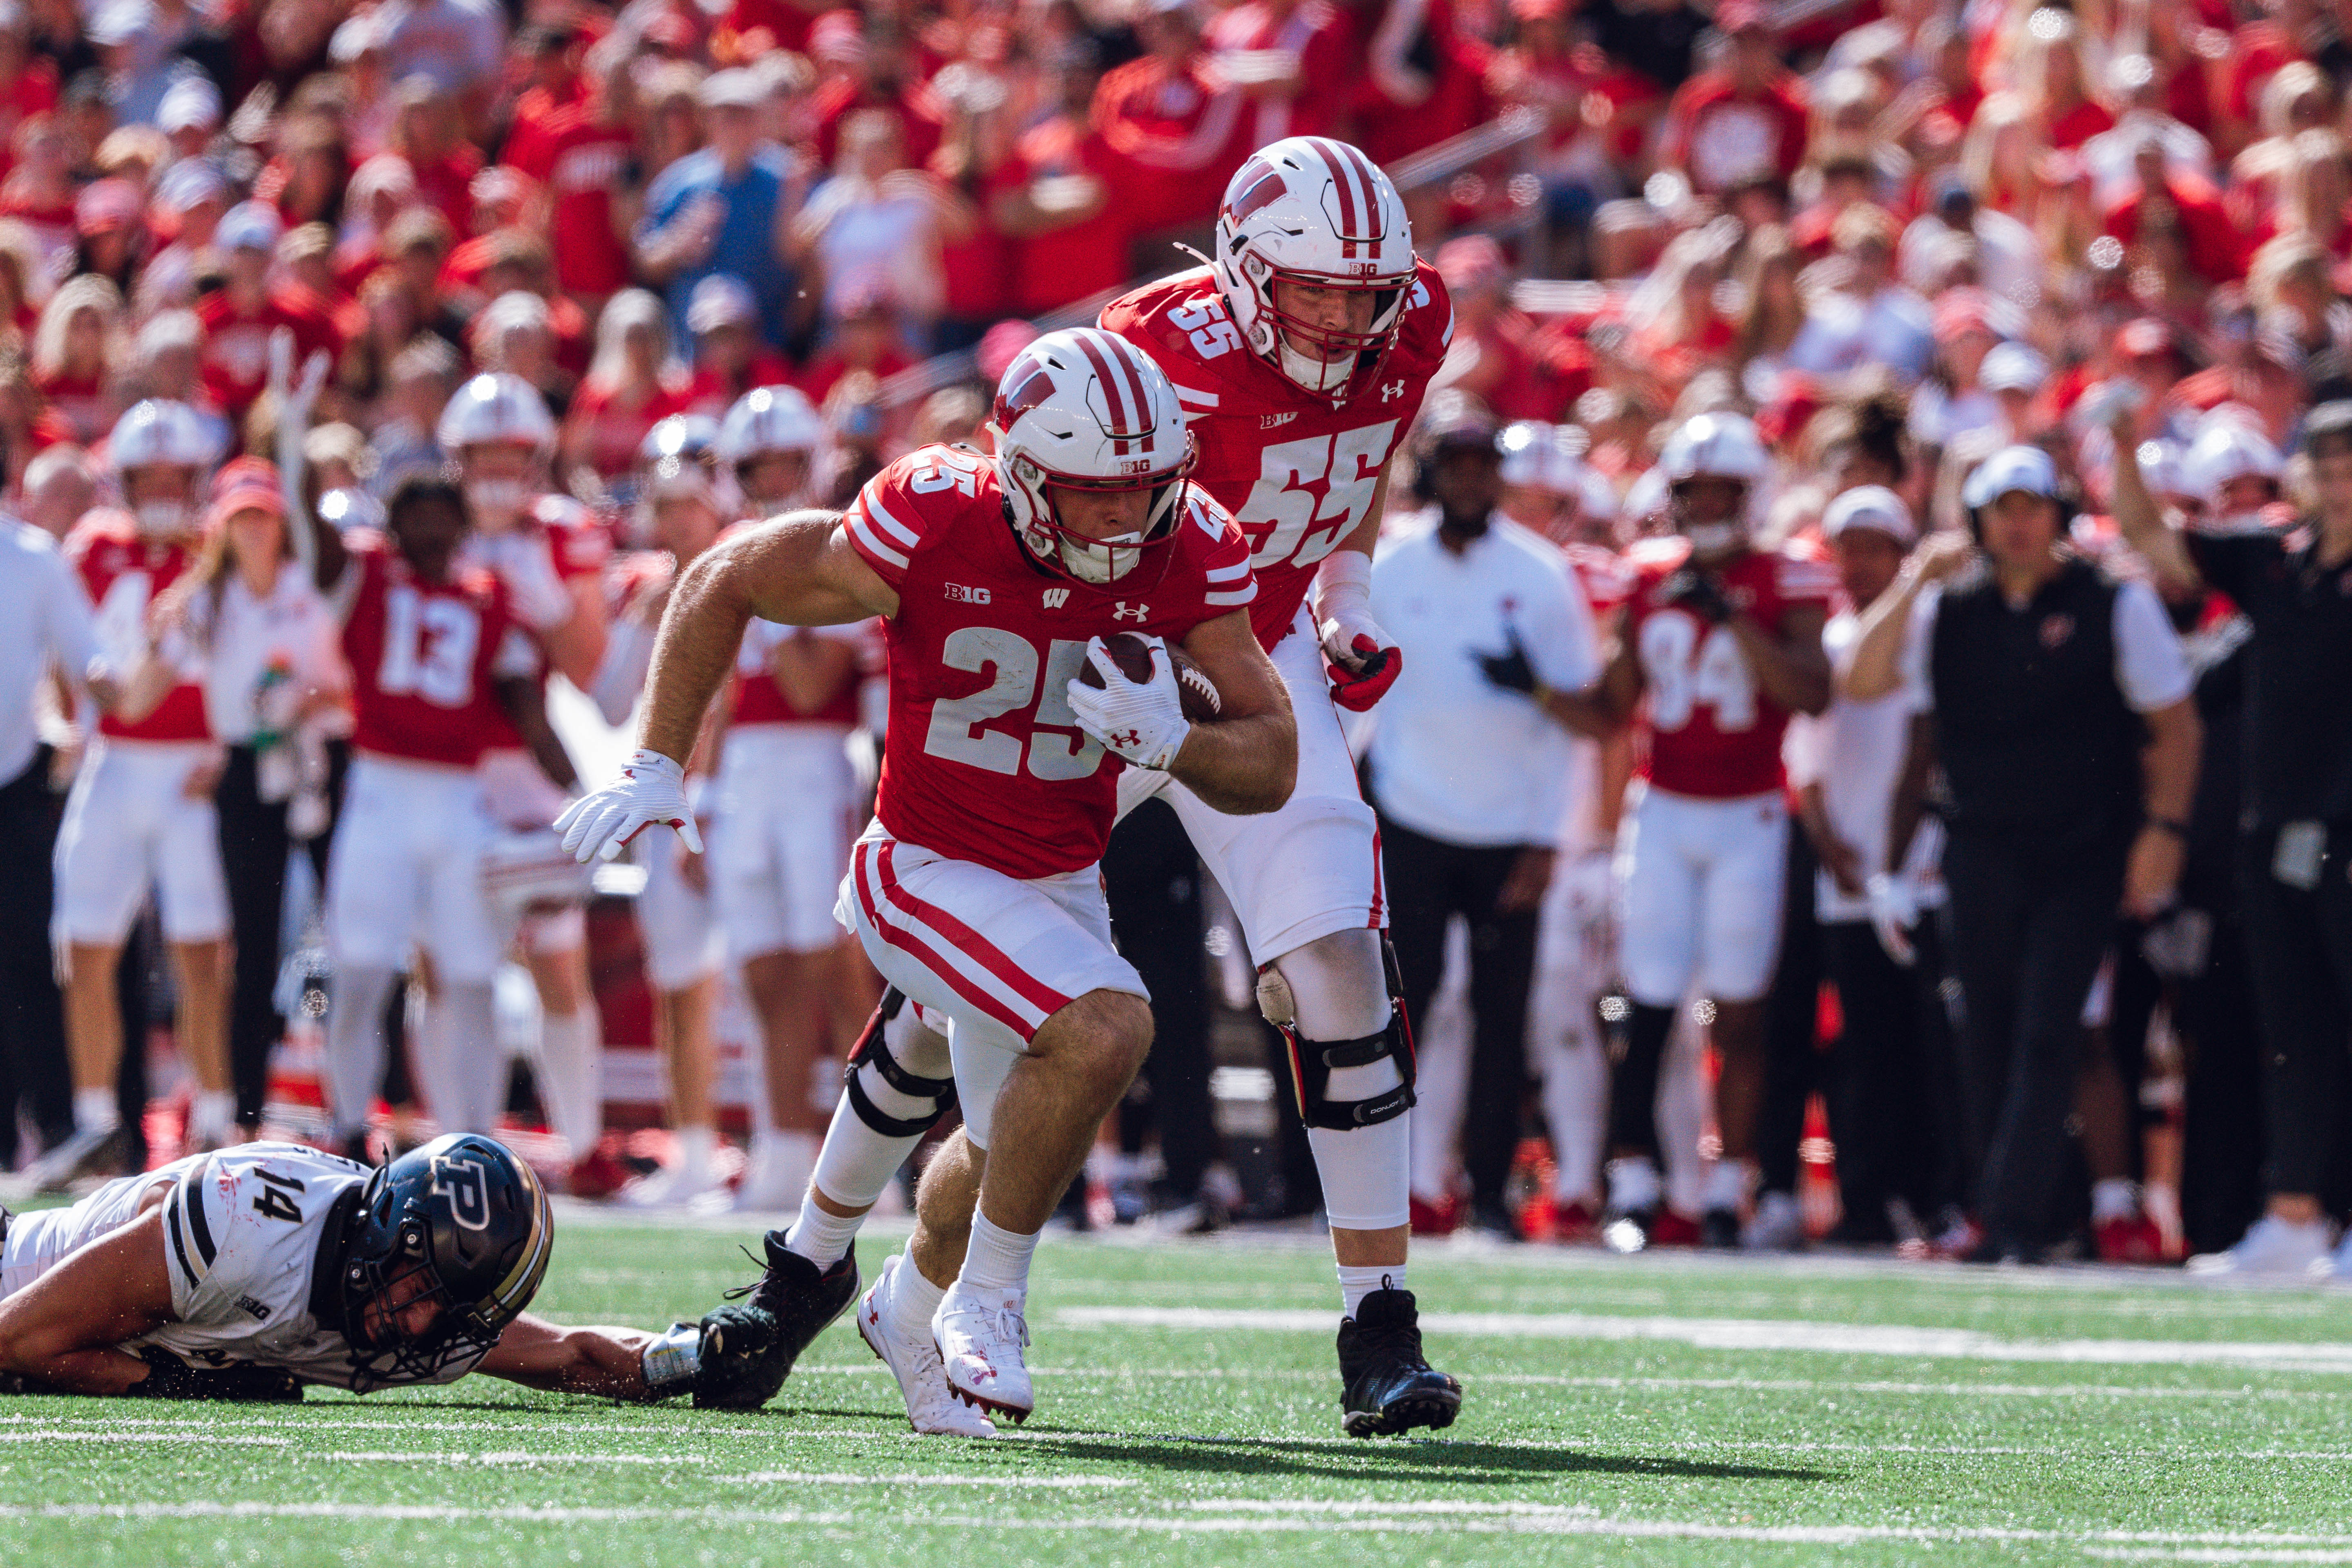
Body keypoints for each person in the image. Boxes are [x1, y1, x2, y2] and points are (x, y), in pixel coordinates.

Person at [557, 327, 1297, 1437]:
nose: (1122, 516)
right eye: (1095, 491)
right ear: (1027, 472)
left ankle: (905, 1300)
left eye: (1145, 486)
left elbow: (1274, 759)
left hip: (1058, 874)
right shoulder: (935, 513)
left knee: (1009, 1141)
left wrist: (1172, 740)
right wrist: (659, 757)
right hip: (923, 864)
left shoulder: (1187, 542)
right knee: (1106, 1027)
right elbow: (727, 574)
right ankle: (988, 1302)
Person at [1842, 445, 2200, 1263]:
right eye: (1999, 507)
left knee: (2050, 1030)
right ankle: (1997, 1206)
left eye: (2030, 505)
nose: (2016, 522)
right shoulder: (1946, 606)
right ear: (1976, 519)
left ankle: (2008, 1218)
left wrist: (2163, 833)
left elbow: (2174, 723)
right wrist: (1912, 579)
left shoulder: (2112, 600)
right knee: (1982, 1030)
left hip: (2081, 845)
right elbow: (1863, 684)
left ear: (2058, 514)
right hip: (1977, 843)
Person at [2106, 407, 2352, 1277]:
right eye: (2326, 467)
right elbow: (2150, 537)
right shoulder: (2277, 560)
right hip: (2275, 826)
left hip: (2349, 827)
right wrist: (2116, 439)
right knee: (2290, 1027)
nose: (2339, 484)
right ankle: (2293, 1213)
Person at [0, 1132, 771, 1405]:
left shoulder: (423, 1311)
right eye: (417, 1291)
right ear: (387, 1229)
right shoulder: (243, 1225)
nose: (415, 1325)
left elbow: (571, 1354)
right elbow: (19, 1341)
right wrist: (186, 1383)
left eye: (448, 1313)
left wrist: (694, 1358)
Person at [1585, 411, 1836, 1250]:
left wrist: (1730, 616)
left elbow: (1809, 691)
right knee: (1645, 1003)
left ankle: (1731, 1182)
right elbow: (1615, 702)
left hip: (1750, 813)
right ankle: (1635, 1178)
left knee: (1741, 1012)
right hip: (1662, 808)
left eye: (1722, 489)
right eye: (1693, 490)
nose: (1706, 504)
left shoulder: (1785, 577)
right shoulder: (1647, 573)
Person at [1368, 400, 1607, 1241]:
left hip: (1512, 825)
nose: (1469, 479)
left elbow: (1587, 717)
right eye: (1456, 464)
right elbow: (1354, 686)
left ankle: (1494, 1190)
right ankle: (1399, 1182)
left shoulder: (1541, 574)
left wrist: (1551, 835)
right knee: (1411, 1002)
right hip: (1411, 816)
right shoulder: (1390, 566)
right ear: (1432, 472)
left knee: (1505, 1018)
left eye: (1483, 465)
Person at [118, 458, 344, 1144]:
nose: (253, 530)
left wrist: (297, 703)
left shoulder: (308, 587)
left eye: (263, 516)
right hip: (248, 773)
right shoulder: (206, 603)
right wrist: (110, 695)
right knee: (251, 941)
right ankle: (249, 1111)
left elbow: (339, 685)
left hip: (315, 761)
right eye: (240, 518)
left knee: (341, 939)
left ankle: (355, 1105)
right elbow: (148, 685)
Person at [40, 399, 235, 1190]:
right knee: (83, 944)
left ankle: (216, 1117)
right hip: (116, 762)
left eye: (173, 474)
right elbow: (67, 649)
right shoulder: (93, 547)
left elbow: (257, 659)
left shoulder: (223, 548)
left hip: (192, 766)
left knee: (201, 952)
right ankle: (95, 1121)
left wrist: (227, 744)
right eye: (145, 475)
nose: (159, 488)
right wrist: (68, 717)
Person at [706, 385, 867, 1211]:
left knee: (832, 967)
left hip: (813, 769)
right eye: (757, 464)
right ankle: (782, 1147)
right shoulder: (733, 546)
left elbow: (809, 685)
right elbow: (716, 692)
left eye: (784, 462)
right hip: (747, 777)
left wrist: (776, 600)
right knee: (765, 973)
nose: (771, 477)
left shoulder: (838, 544)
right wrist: (698, 792)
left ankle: (866, 1159)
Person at [1786, 486, 1959, 1248]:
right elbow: (1809, 763)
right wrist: (1832, 849)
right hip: (1851, 876)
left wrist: (1891, 859)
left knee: (1927, 1047)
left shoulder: (1923, 625)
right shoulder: (1825, 637)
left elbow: (1913, 734)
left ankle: (1931, 1196)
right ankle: (1868, 1199)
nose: (1858, 563)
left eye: (1874, 547)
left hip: (1914, 872)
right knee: (1862, 1048)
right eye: (1846, 547)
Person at [0, 497, 103, 1177]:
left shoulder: (35, 558)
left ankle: (55, 1124)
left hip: (14, 780)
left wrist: (84, 740)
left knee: (32, 958)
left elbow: (93, 660)